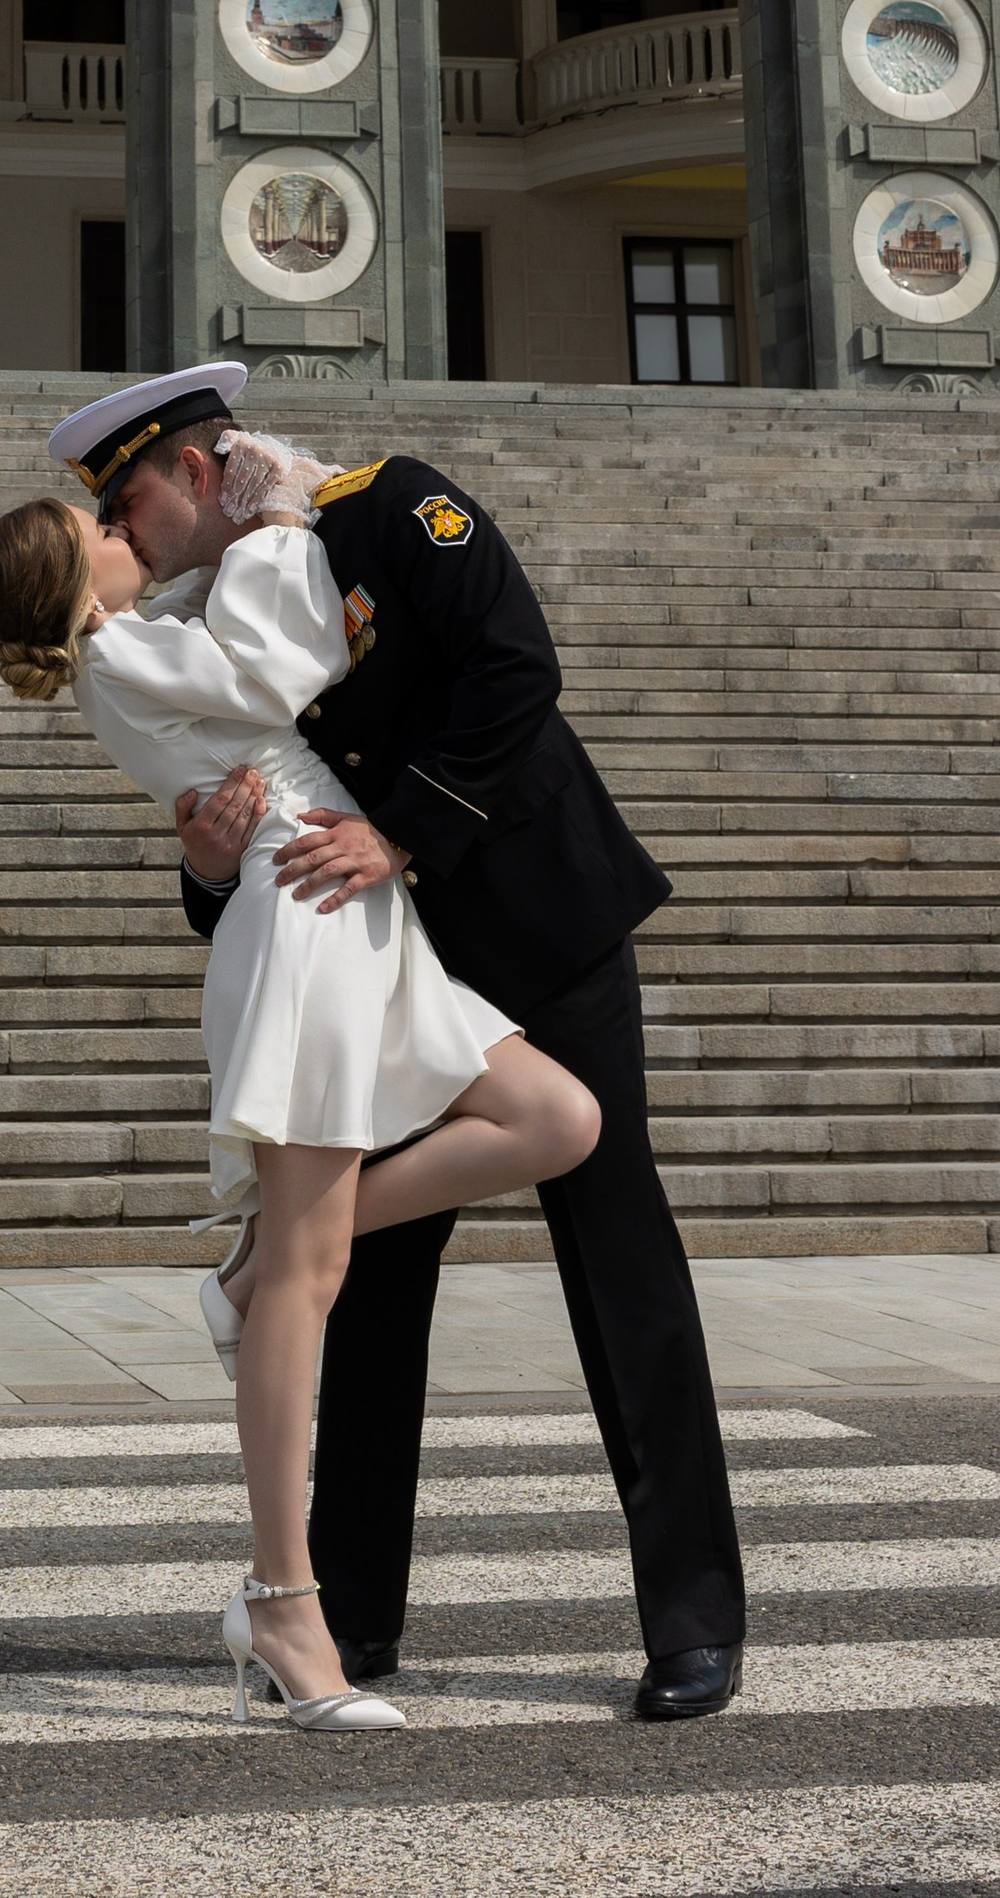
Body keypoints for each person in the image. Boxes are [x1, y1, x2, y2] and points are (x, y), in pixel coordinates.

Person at [74, 362, 746, 1724]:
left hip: (533, 922)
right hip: (380, 965)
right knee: (368, 1284)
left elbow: (516, 665)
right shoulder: (198, 620)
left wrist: (408, 829)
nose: (126, 530)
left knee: (620, 1257)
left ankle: (690, 1614)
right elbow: (253, 817)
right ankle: (355, 1617)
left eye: (134, 497)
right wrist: (204, 864)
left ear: (199, 472)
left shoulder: (386, 513)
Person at [0, 435, 599, 1734]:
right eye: (94, 528)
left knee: (553, 1116)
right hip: (307, 918)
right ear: (74, 585)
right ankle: (284, 1604)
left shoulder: (143, 642)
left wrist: (254, 528)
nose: (118, 530)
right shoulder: (127, 651)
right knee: (313, 1287)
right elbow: (296, 654)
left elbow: (257, 658)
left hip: (346, 905)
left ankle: (251, 1270)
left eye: (121, 510)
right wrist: (273, 518)